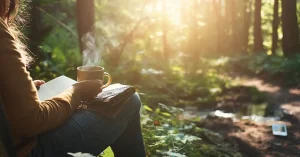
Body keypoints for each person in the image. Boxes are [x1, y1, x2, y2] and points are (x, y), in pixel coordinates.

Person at [0, 0, 146, 157]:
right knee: (128, 100)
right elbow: (32, 121)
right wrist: (77, 92)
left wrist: (19, 93)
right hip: (23, 151)